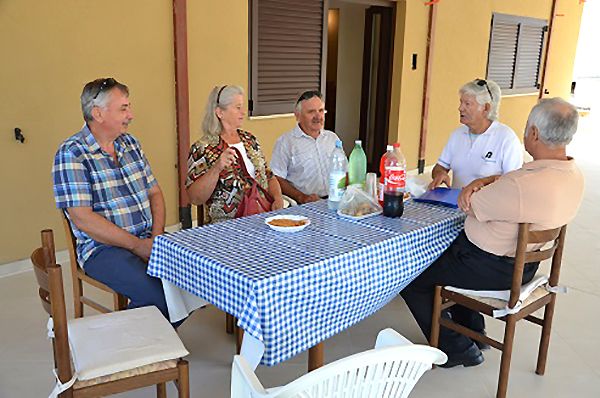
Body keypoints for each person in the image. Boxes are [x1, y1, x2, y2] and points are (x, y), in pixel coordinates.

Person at [402, 98, 584, 368]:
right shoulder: (572, 175)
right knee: (450, 257)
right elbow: (500, 185)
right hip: (524, 267)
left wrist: (476, 186)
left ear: (533, 133)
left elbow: (470, 203)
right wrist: (485, 181)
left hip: (490, 267)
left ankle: (455, 348)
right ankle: (475, 332)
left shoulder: (522, 184)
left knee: (412, 274)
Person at [52, 78, 175, 324]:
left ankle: (147, 344)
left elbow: (155, 193)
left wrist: (157, 238)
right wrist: (137, 246)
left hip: (149, 237)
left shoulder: (130, 144)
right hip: (102, 249)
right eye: (123, 108)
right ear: (98, 113)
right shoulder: (71, 153)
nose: (131, 115)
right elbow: (83, 218)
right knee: (159, 296)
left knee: (196, 284)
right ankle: (121, 351)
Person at [187, 85, 284, 223]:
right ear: (220, 113)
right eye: (238, 107)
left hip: (262, 216)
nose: (243, 112)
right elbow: (195, 198)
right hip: (227, 226)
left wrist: (278, 198)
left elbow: (268, 175)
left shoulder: (249, 140)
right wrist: (217, 168)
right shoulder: (202, 148)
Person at [429, 79, 523, 190]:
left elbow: (513, 181)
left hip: (488, 205)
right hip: (455, 203)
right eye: (461, 102)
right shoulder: (457, 135)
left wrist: (481, 183)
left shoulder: (506, 138)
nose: (460, 108)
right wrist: (440, 174)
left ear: (486, 108)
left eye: (467, 104)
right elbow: (440, 167)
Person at [270, 90, 341, 203]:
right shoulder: (286, 142)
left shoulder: (332, 138)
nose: (318, 116)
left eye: (321, 111)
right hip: (303, 204)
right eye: (311, 112)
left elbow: (343, 169)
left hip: (334, 200)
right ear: (298, 116)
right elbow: (276, 178)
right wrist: (301, 197)